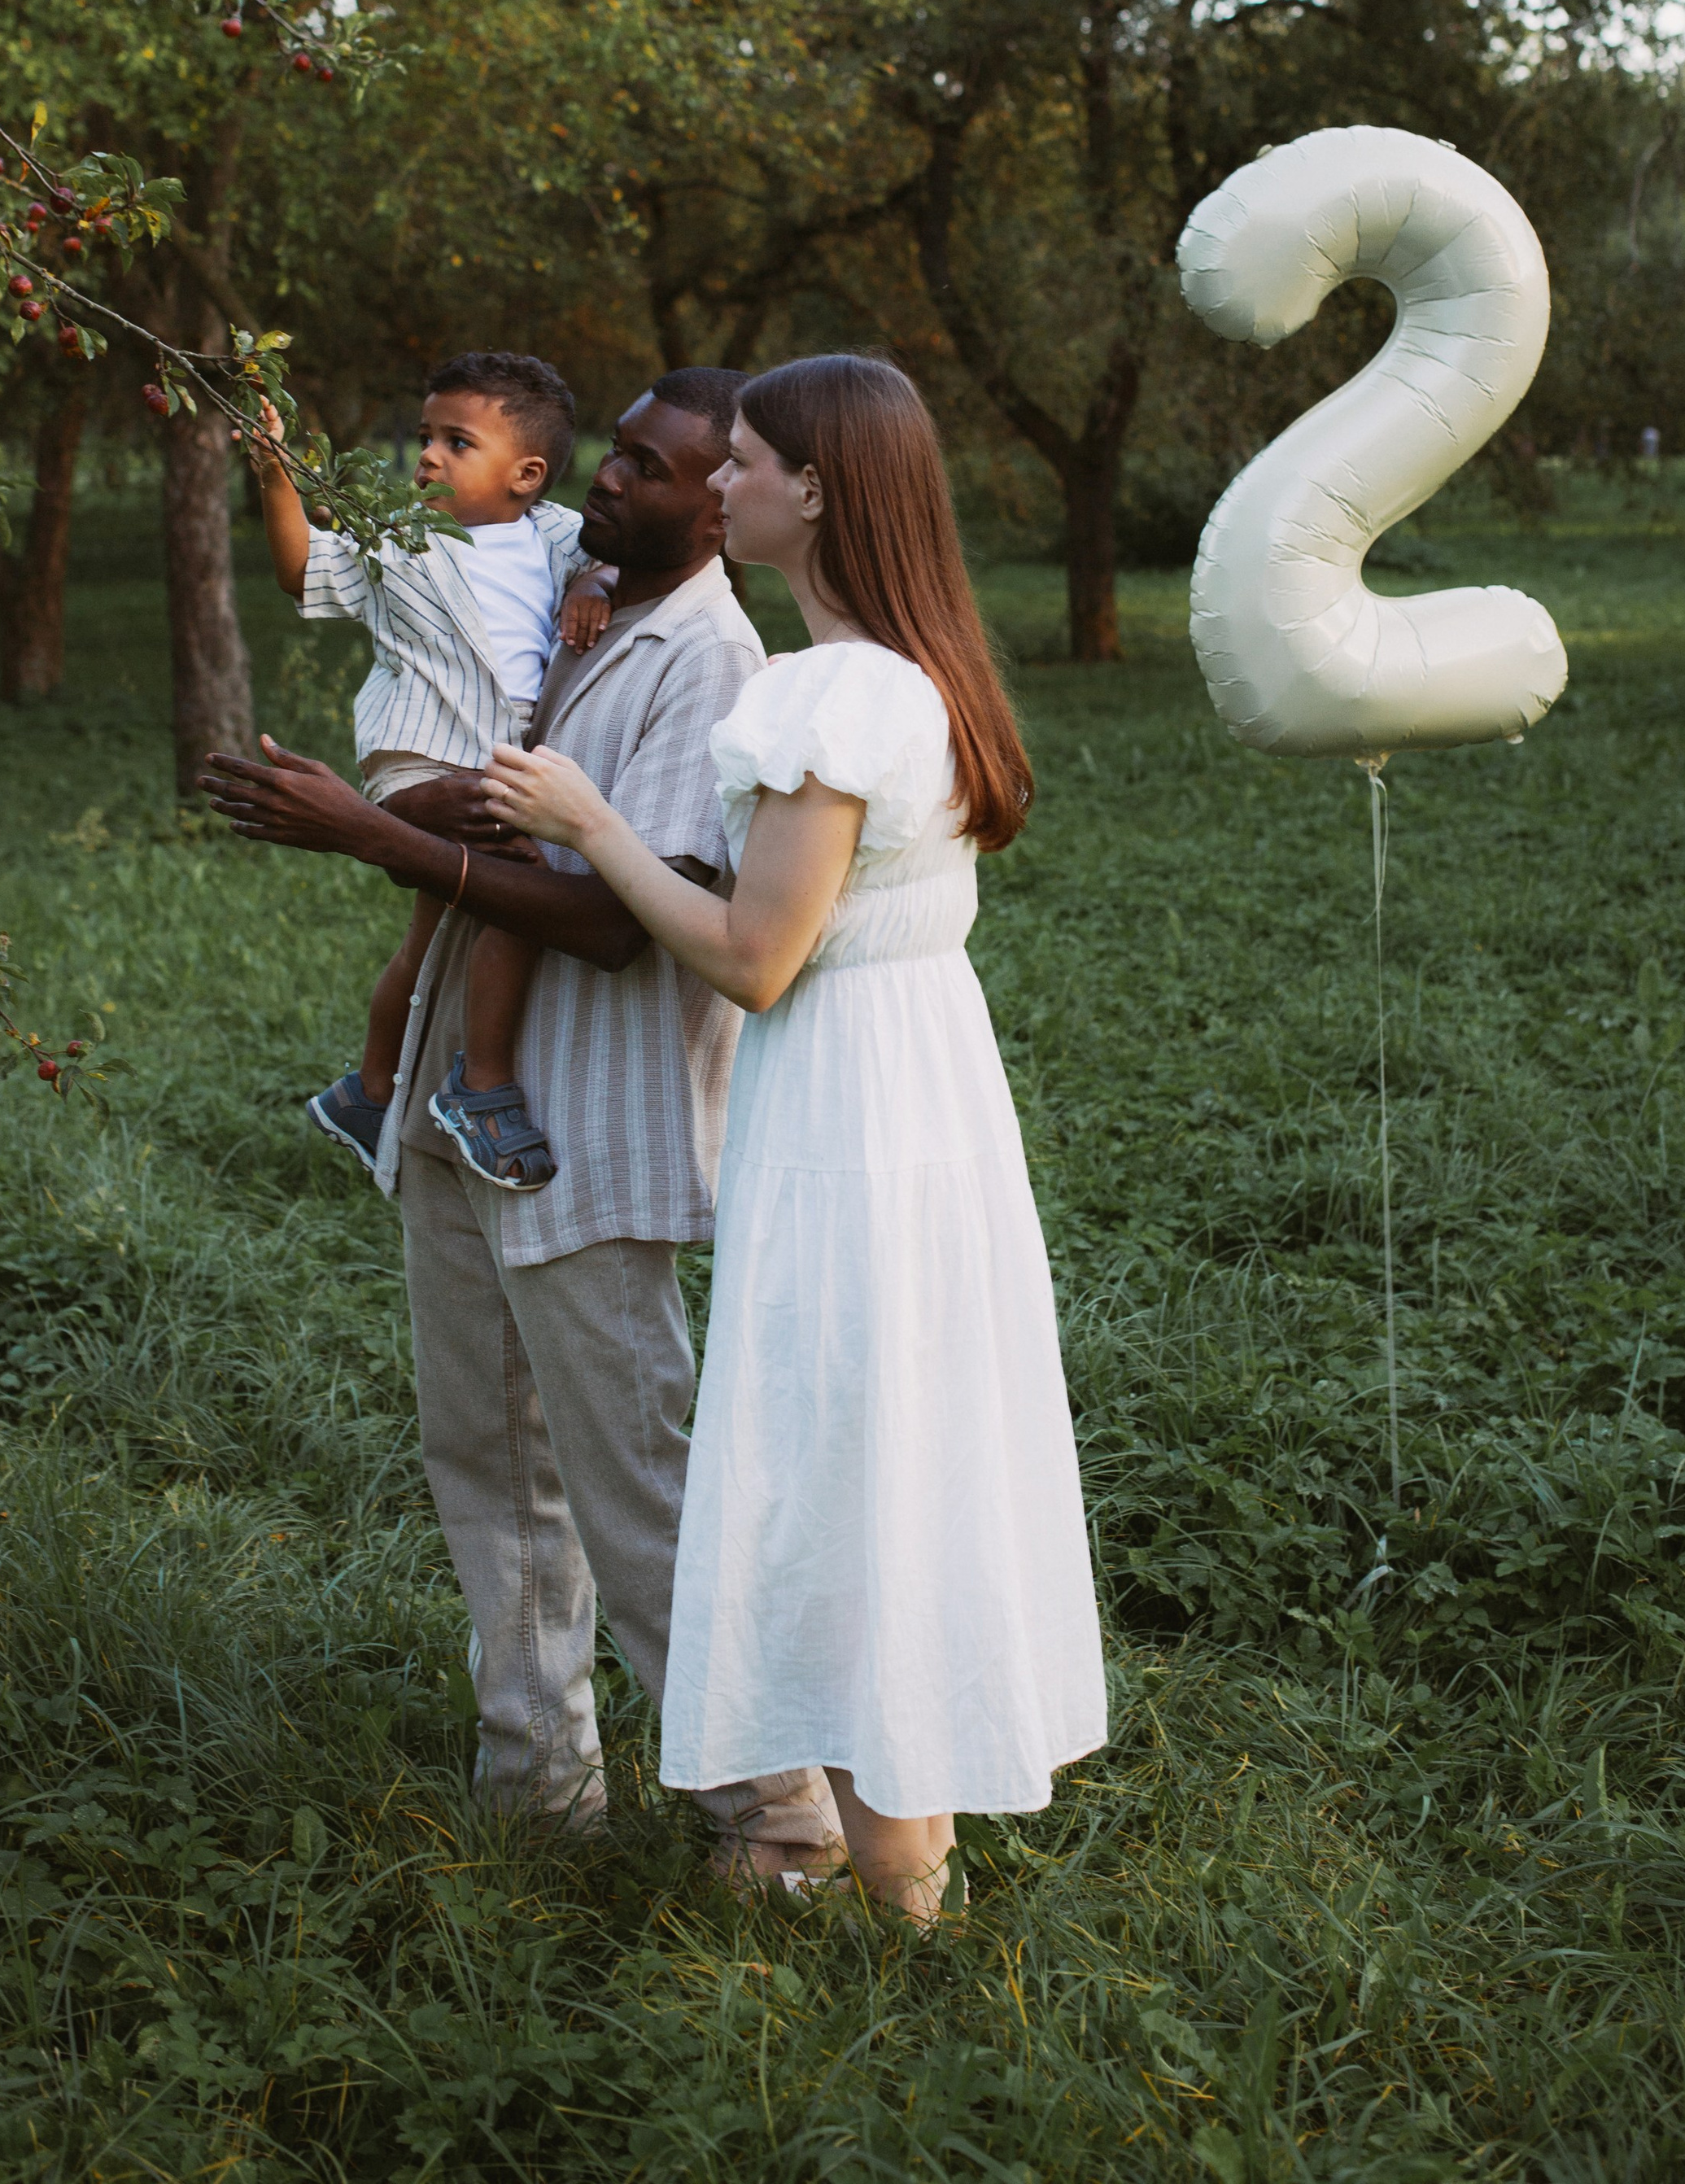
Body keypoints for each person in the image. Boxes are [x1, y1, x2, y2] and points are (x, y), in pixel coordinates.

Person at [481, 354, 1107, 1920]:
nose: (725, 484)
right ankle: (913, 1873)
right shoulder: (920, 670)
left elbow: (758, 955)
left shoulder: (825, 694)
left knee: (848, 1453)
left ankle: (891, 1886)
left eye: (747, 462)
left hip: (849, 1109)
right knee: (907, 1442)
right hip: (925, 1090)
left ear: (814, 490)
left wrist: (590, 824)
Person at [204, 370, 845, 1880]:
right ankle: (537, 1784)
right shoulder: (581, 603)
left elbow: (623, 924)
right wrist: (367, 814)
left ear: (719, 510)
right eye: (611, 457)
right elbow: (483, 788)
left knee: (639, 1492)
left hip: (588, 1135)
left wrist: (366, 827)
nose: (606, 486)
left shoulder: (714, 664)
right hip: (459, 1107)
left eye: (649, 467)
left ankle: (782, 1830)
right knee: (485, 1461)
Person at [251, 349, 613, 1192]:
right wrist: (273, 472)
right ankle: (481, 1084)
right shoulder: (398, 543)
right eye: (425, 437)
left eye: (457, 442)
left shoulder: (557, 535)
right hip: (422, 760)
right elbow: (300, 567)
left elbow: (610, 556)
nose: (426, 456)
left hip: (501, 758)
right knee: (519, 899)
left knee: (431, 935)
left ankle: (370, 1091)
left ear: (526, 475)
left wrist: (597, 578)